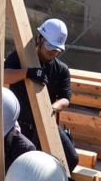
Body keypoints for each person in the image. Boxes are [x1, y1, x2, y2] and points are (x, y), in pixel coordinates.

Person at [4, 18, 72, 146]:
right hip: (19, 125)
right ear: (39, 39)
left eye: (56, 49)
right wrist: (28, 73)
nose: (52, 51)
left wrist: (52, 108)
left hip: (45, 124)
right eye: (49, 46)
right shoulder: (21, 57)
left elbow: (65, 98)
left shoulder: (61, 69)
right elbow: (3, 76)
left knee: (72, 158)